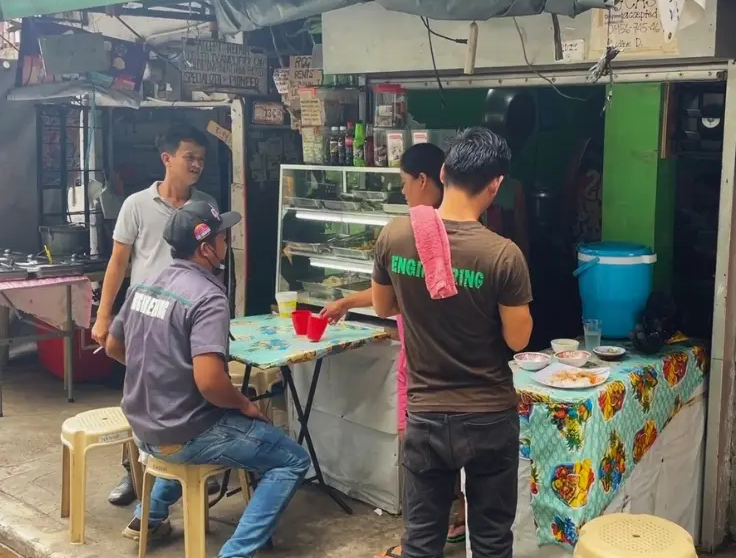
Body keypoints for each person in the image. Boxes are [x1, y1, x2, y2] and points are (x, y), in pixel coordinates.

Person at [104, 201, 311, 555]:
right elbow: (211, 383)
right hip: (185, 433)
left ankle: (149, 516)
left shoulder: (146, 284)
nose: (225, 245)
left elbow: (113, 346)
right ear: (205, 248)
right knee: (292, 460)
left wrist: (160, 373)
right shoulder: (208, 296)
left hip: (142, 427)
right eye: (222, 238)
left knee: (205, 427)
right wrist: (244, 403)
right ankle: (236, 552)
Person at [371, 127, 533, 558]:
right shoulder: (503, 254)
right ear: (495, 184)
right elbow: (518, 340)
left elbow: (383, 306)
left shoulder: (395, 236)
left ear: (443, 172)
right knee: (491, 540)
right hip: (488, 416)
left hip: (425, 414)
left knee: (422, 541)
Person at [318, 144, 448, 558]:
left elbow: (386, 302)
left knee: (420, 464)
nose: (404, 193)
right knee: (436, 467)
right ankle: (438, 536)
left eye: (404, 183)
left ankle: (418, 545)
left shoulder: (409, 233)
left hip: (423, 372)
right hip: (443, 372)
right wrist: (343, 303)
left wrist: (357, 302)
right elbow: (388, 296)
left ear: (424, 180)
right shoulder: (448, 233)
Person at [92, 125, 221, 506]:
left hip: (187, 315)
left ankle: (193, 463)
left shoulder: (206, 203)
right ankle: (133, 474)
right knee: (141, 395)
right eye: (189, 157)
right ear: (167, 159)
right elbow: (118, 262)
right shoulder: (136, 204)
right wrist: (103, 316)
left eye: (201, 158)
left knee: (194, 392)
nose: (196, 164)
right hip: (145, 314)